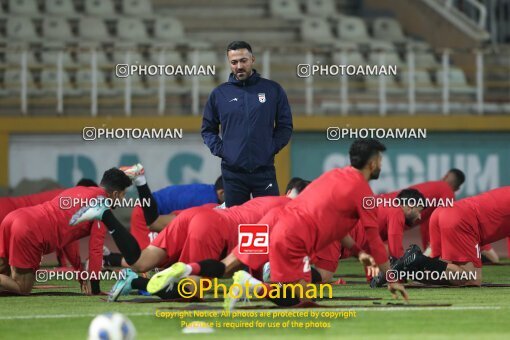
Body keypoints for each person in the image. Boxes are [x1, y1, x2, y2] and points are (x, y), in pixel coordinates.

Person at [224, 139, 408, 310]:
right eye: (380, 160)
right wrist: (391, 278)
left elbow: (327, 218)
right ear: (372, 163)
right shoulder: (362, 192)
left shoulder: (333, 175)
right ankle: (255, 282)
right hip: (294, 235)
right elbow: (374, 242)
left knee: (227, 265)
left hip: (269, 220)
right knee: (305, 301)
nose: (382, 165)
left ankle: (241, 278)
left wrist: (358, 251)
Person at [0, 170, 131, 295]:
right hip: (28, 228)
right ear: (115, 194)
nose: (122, 199)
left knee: (4, 272)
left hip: (13, 217)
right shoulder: (103, 206)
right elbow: (95, 249)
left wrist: (79, 270)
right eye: (123, 195)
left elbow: (68, 241)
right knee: (23, 288)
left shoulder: (77, 190)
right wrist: (95, 288)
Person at [201, 40, 293, 207]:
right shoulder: (219, 94)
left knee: (269, 220)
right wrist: (223, 151)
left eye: (243, 60)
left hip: (264, 171)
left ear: (252, 60)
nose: (239, 66)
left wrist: (270, 147)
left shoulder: (272, 90)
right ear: (229, 63)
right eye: (234, 62)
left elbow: (285, 126)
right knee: (235, 224)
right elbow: (208, 130)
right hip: (233, 174)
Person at [394, 186, 510, 286]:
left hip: (443, 213)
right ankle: (419, 260)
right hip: (460, 219)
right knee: (472, 279)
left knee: (439, 267)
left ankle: (410, 270)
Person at [380, 169, 465, 250]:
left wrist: (428, 252)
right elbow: (446, 224)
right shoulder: (448, 193)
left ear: (445, 177)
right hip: (388, 214)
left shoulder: (434, 187)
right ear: (457, 189)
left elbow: (427, 225)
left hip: (381, 205)